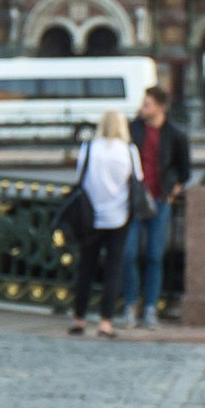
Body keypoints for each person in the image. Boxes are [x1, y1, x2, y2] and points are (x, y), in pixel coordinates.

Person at [119, 87, 190, 329]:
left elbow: (184, 169)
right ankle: (130, 305)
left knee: (154, 256)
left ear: (161, 107)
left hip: (160, 201)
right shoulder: (132, 129)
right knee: (128, 254)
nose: (143, 108)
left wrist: (175, 190)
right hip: (134, 201)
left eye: (148, 104)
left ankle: (150, 308)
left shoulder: (175, 134)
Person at [67, 109, 139, 338]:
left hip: (90, 216)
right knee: (113, 269)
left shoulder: (89, 148)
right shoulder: (128, 150)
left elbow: (81, 177)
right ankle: (105, 322)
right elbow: (137, 179)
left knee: (86, 267)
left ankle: (79, 318)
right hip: (119, 216)